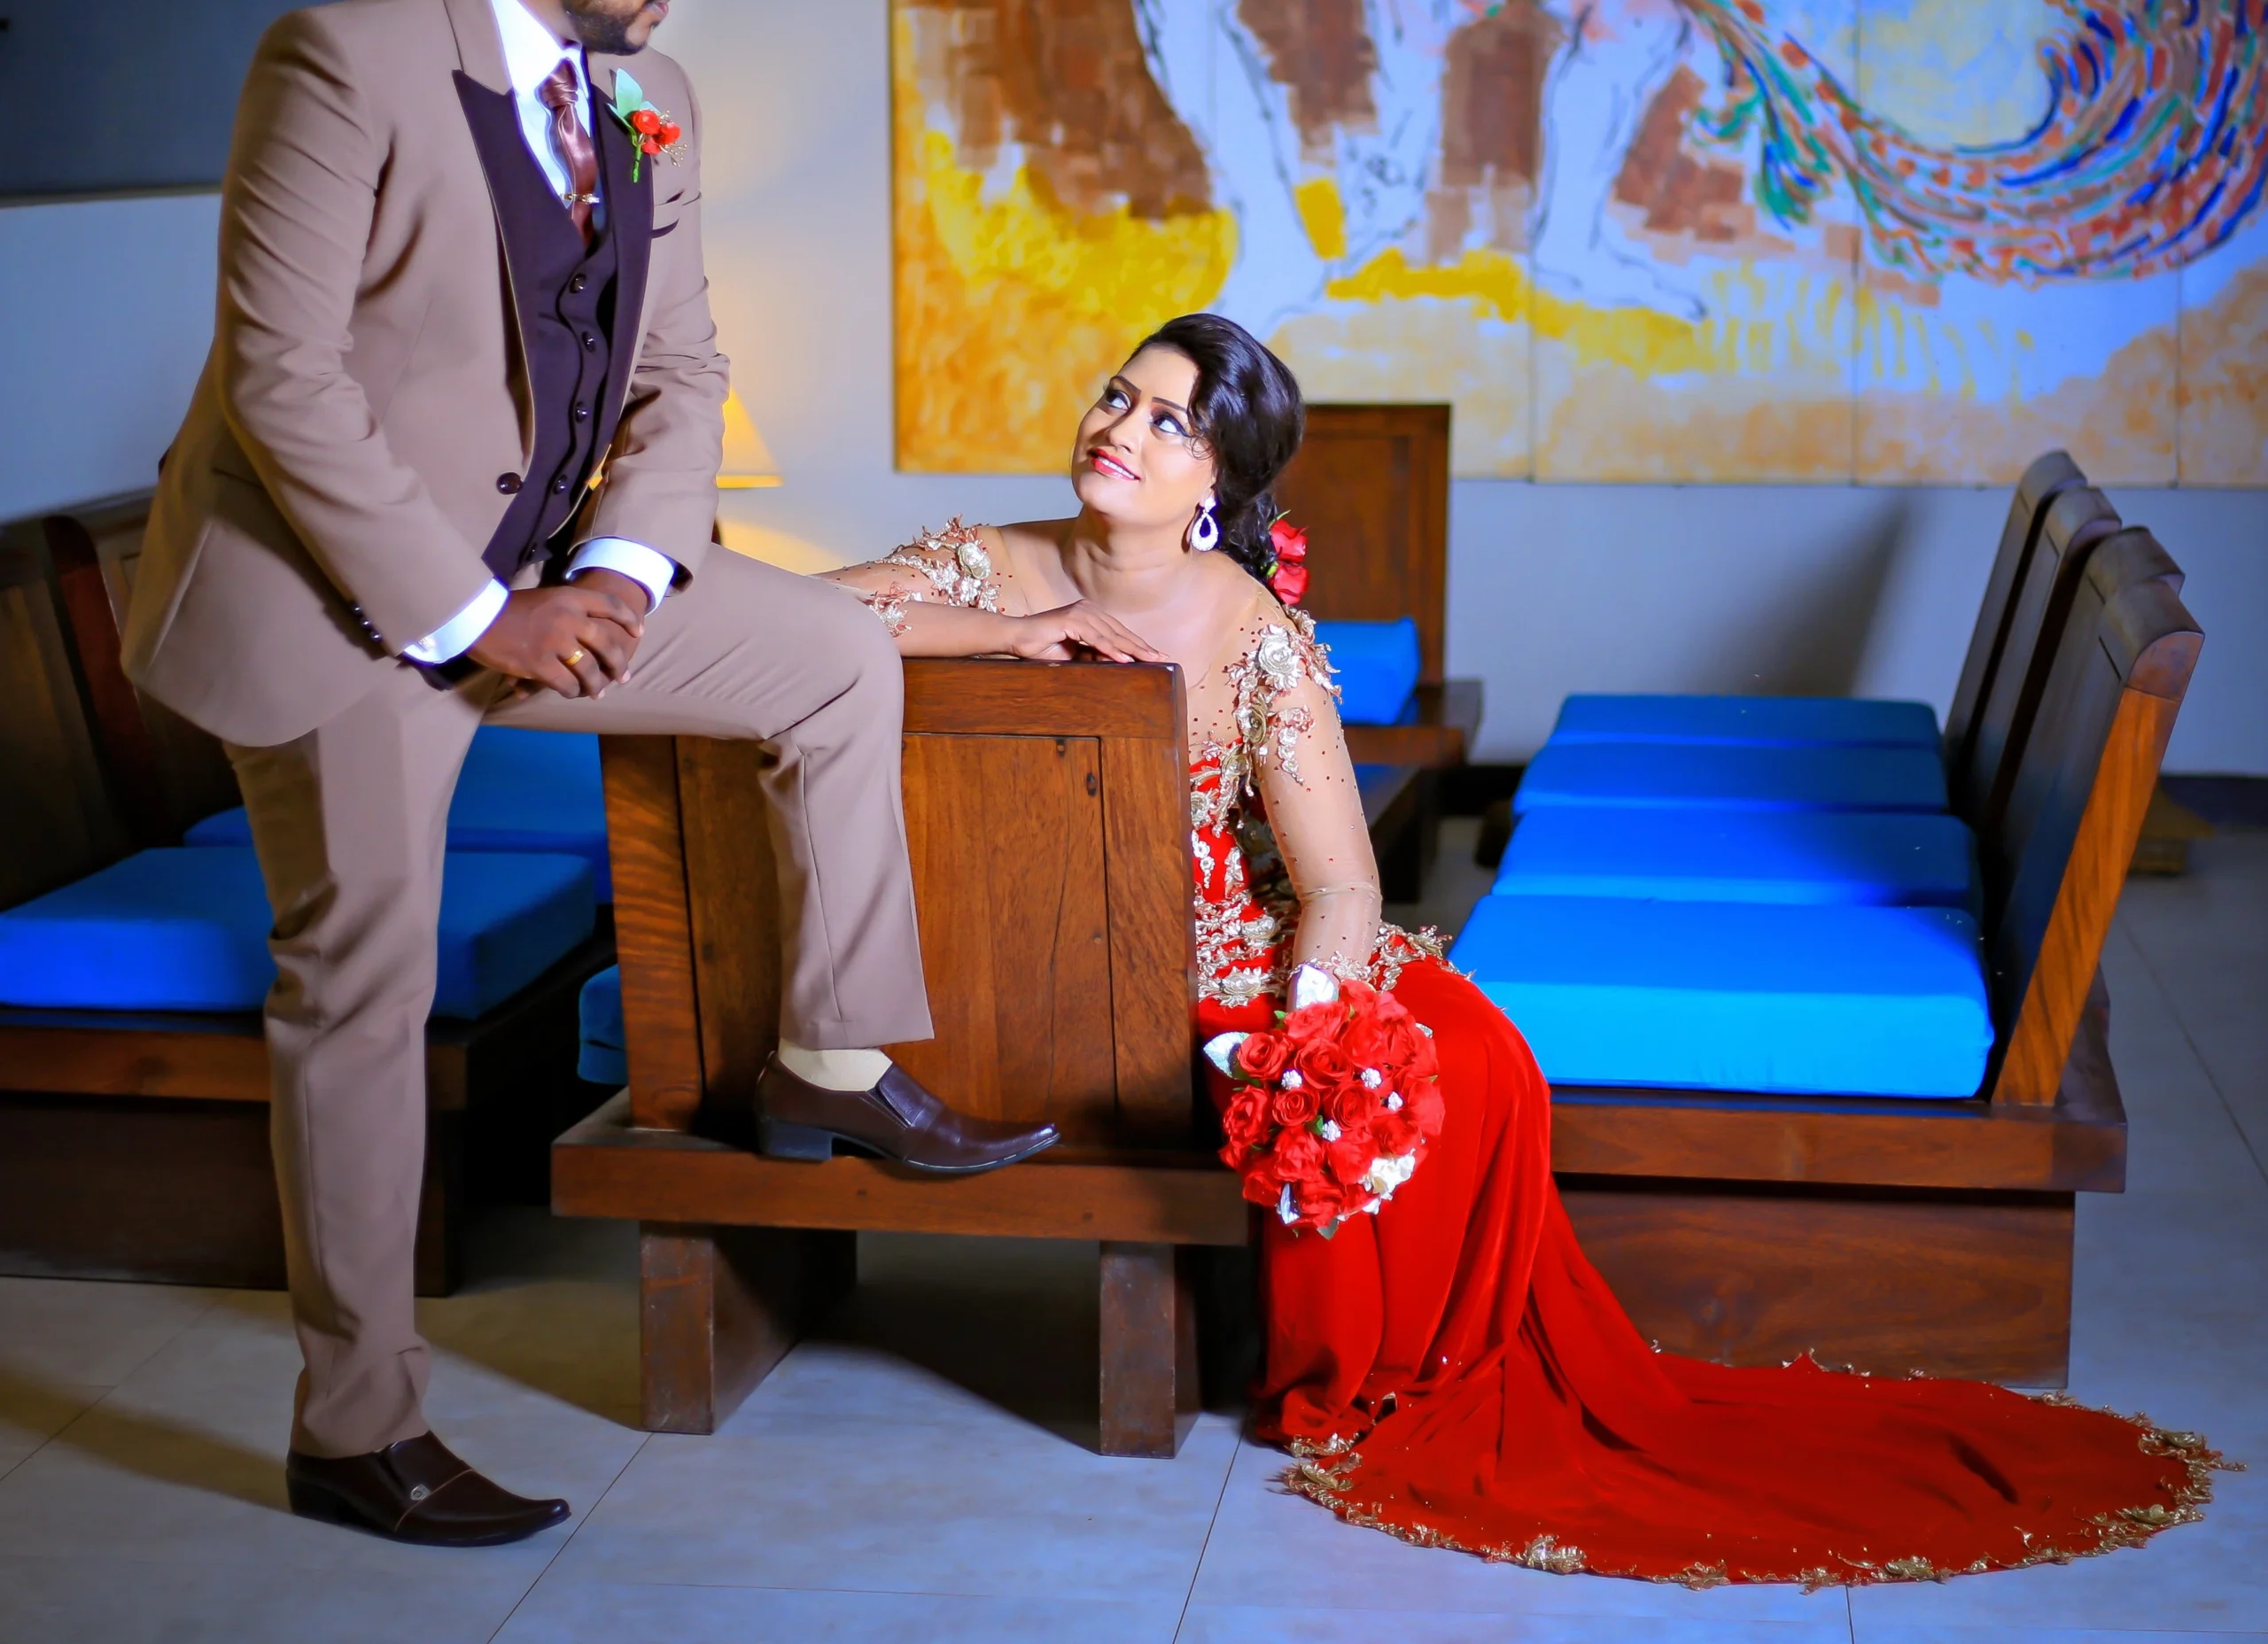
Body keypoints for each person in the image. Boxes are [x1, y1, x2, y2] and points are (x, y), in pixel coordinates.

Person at [820, 311, 2226, 1585]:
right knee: (1431, 1054)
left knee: (1475, 1056)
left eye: (1168, 421)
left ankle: (1406, 1359)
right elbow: (818, 613)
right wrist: (1016, 633)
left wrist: (1316, 1026)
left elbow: (1341, 882)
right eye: (1118, 396)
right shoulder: (986, 561)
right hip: (1045, 970)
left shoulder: (1257, 638)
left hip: (1236, 968)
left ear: (1219, 486)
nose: (1120, 430)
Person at [123, 0, 1053, 1550]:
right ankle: (355, 1423)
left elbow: (683, 369)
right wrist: (486, 613)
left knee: (829, 657)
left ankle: (831, 1065)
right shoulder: (342, 63)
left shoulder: (657, 103)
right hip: (342, 601)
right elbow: (283, 387)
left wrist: (624, 573)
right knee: (362, 988)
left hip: (557, 578)